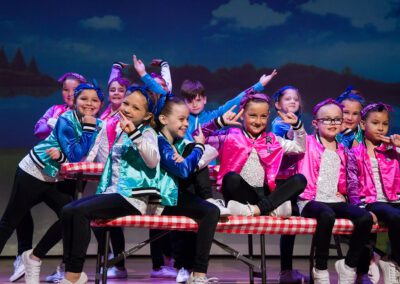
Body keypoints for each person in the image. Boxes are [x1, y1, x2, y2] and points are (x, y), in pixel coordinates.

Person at [0, 81, 104, 284]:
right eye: (84, 99)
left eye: (95, 100)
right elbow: (75, 155)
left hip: (59, 178)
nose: (89, 104)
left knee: (71, 218)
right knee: (9, 221)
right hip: (34, 171)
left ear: (101, 104)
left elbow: (90, 156)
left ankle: (34, 257)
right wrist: (88, 130)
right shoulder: (65, 119)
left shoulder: (101, 125)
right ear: (74, 101)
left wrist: (64, 159)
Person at [59, 86, 160, 284]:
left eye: (135, 108)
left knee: (80, 213)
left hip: (132, 196)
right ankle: (72, 271)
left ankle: (73, 275)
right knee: (68, 210)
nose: (128, 109)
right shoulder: (119, 130)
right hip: (113, 193)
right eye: (126, 103)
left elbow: (153, 160)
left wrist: (135, 135)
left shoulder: (146, 132)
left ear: (147, 115)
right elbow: (97, 152)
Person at [194, 90, 307, 218]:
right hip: (239, 193)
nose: (258, 121)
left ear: (268, 116)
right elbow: (197, 135)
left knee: (300, 180)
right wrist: (219, 122)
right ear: (242, 115)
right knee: (230, 178)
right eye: (253, 115)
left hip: (263, 194)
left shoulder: (272, 140)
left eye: (263, 116)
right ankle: (272, 209)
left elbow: (300, 147)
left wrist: (298, 126)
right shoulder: (229, 136)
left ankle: (256, 209)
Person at [297, 99, 373, 284]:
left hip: (334, 199)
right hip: (310, 200)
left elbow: (348, 180)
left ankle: (348, 265)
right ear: (315, 123)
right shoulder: (306, 143)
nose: (333, 123)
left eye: (337, 119)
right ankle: (320, 268)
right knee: (327, 215)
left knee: (365, 217)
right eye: (328, 119)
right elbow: (295, 139)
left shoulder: (344, 150)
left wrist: (345, 194)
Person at [157, 98, 220, 284]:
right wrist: (199, 147)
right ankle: (197, 273)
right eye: (181, 119)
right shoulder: (161, 142)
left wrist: (194, 151)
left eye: (187, 119)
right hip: (162, 198)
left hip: (176, 194)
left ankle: (193, 270)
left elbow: (185, 169)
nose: (186, 123)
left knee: (203, 207)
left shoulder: (177, 142)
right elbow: (183, 171)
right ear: (163, 119)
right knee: (210, 211)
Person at [347, 102, 400, 284]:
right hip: (371, 201)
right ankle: (394, 261)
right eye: (375, 123)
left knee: (395, 213)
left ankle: (391, 261)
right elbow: (352, 184)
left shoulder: (392, 151)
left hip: (394, 199)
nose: (381, 128)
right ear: (363, 124)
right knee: (393, 216)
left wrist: (398, 148)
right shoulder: (355, 153)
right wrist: (360, 209)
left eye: (385, 124)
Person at [271, 85, 308, 283]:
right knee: (290, 223)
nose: (293, 101)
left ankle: (287, 270)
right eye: (287, 99)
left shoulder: (295, 124)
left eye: (296, 98)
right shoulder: (280, 124)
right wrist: (296, 129)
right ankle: (286, 271)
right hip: (282, 179)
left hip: (293, 177)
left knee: (292, 224)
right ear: (278, 104)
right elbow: (293, 142)